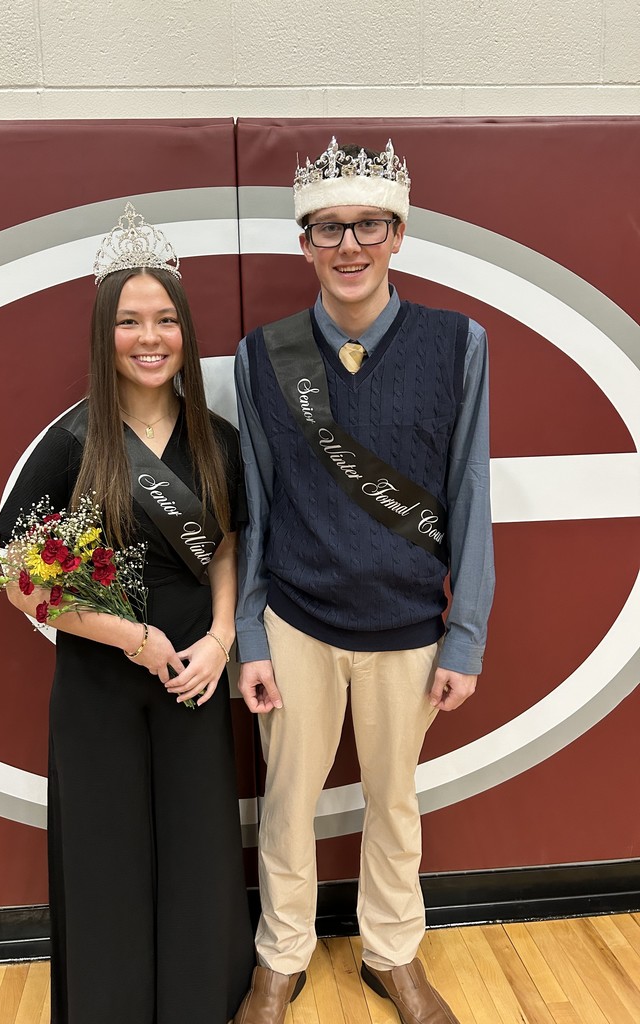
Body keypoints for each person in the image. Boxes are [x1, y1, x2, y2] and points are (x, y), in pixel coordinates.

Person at [232, 137, 494, 1024]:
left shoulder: (458, 342)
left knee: (395, 807)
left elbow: (469, 493)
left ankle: (393, 954)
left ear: (398, 234)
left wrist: (466, 632)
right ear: (303, 242)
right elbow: (256, 510)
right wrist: (255, 635)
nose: (350, 245)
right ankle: (282, 958)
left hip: (410, 626)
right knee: (286, 807)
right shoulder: (261, 353)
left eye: (369, 225)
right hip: (300, 620)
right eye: (330, 228)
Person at [0, 202, 254, 1024]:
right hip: (100, 684)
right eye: (131, 321)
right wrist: (129, 636)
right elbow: (17, 578)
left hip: (195, 682)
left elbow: (224, 549)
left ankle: (199, 1003)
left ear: (186, 332)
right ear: (104, 333)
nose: (151, 337)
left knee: (197, 851)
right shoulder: (72, 445)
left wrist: (220, 637)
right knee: (105, 856)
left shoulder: (217, 440)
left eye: (167, 319)